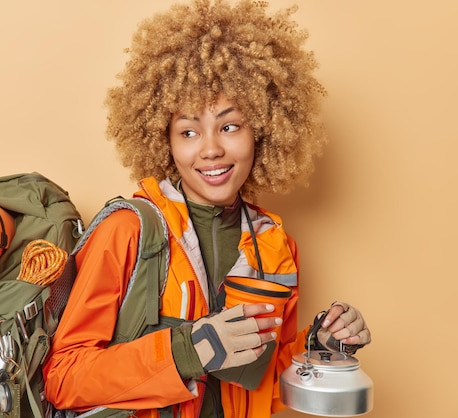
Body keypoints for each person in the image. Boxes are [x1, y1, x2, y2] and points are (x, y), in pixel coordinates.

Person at [42, 1, 371, 417]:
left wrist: (319, 347)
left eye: (230, 126)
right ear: (166, 140)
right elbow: (64, 379)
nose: (211, 149)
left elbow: (263, 383)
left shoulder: (276, 245)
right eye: (189, 130)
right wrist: (188, 351)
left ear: (263, 130)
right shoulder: (128, 231)